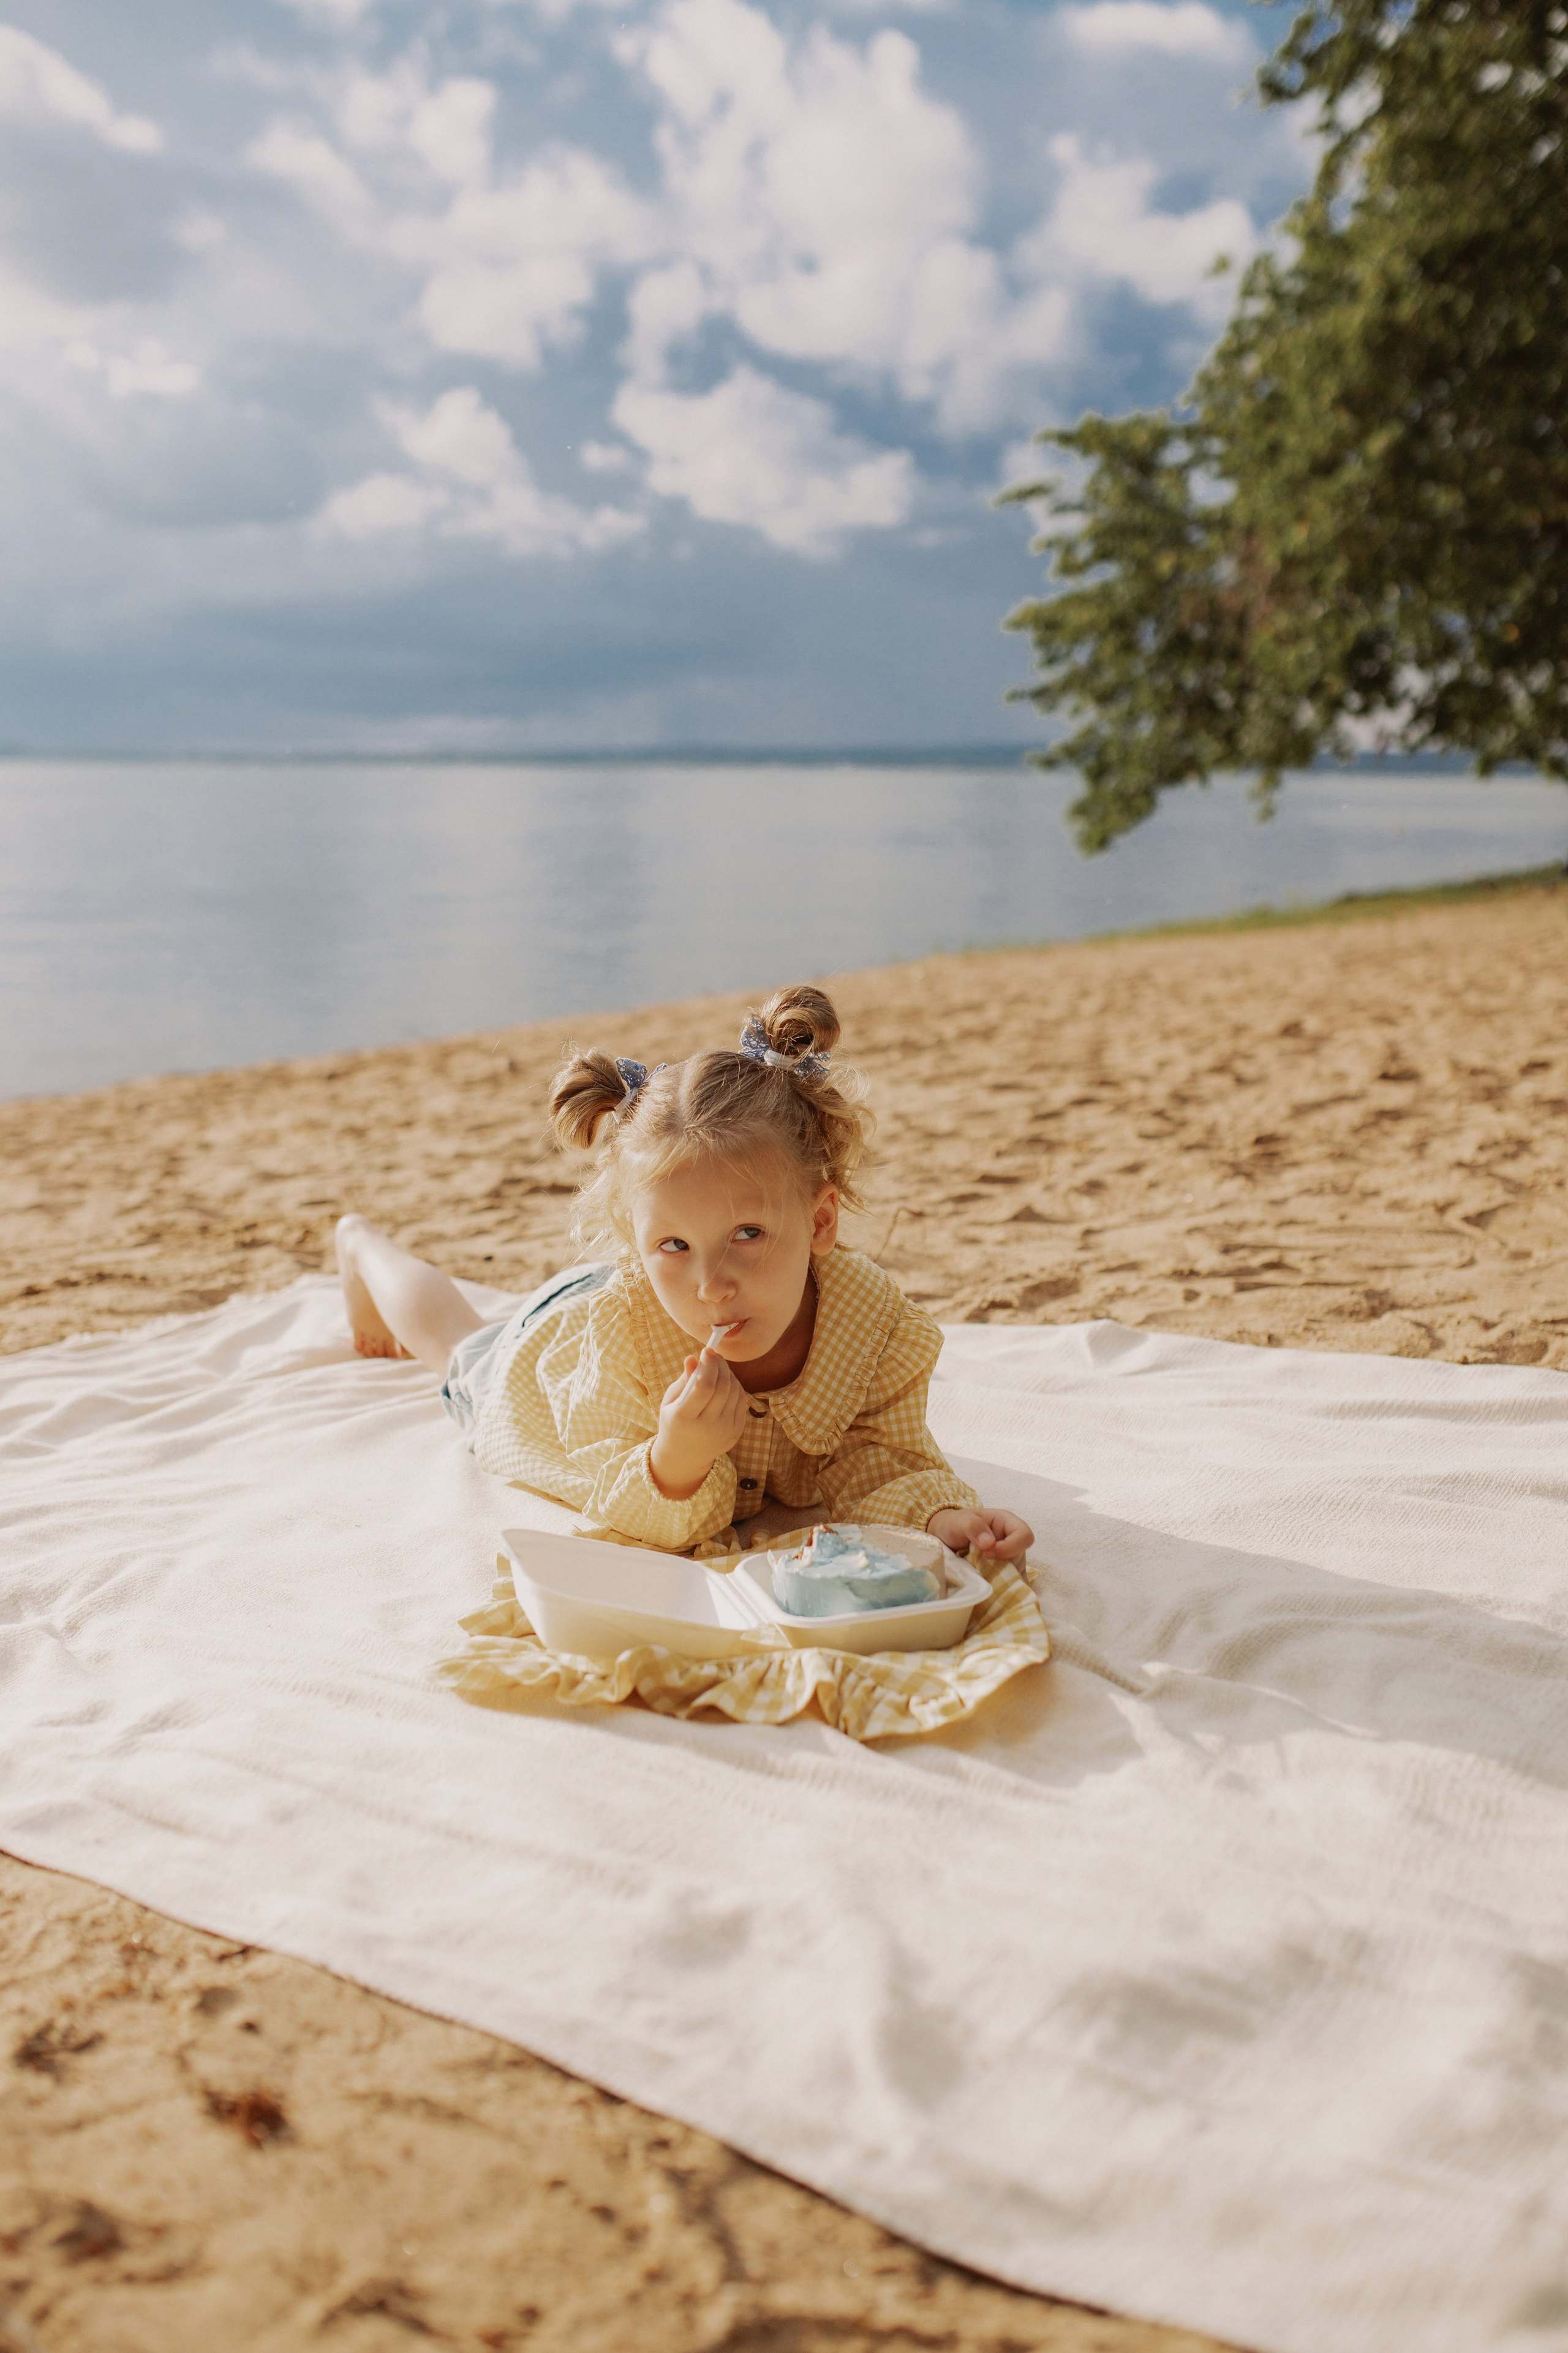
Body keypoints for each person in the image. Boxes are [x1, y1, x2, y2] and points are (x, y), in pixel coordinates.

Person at [334, 984, 1034, 1566]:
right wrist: (676, 1459)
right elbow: (620, 1503)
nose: (711, 1285)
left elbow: (880, 1458)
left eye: (747, 1234)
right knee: (460, 1347)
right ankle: (362, 1245)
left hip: (643, 1297)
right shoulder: (619, 1342)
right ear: (635, 1244)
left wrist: (942, 1516)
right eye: (673, 1244)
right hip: (563, 1347)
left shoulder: (871, 1325)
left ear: (821, 1221)